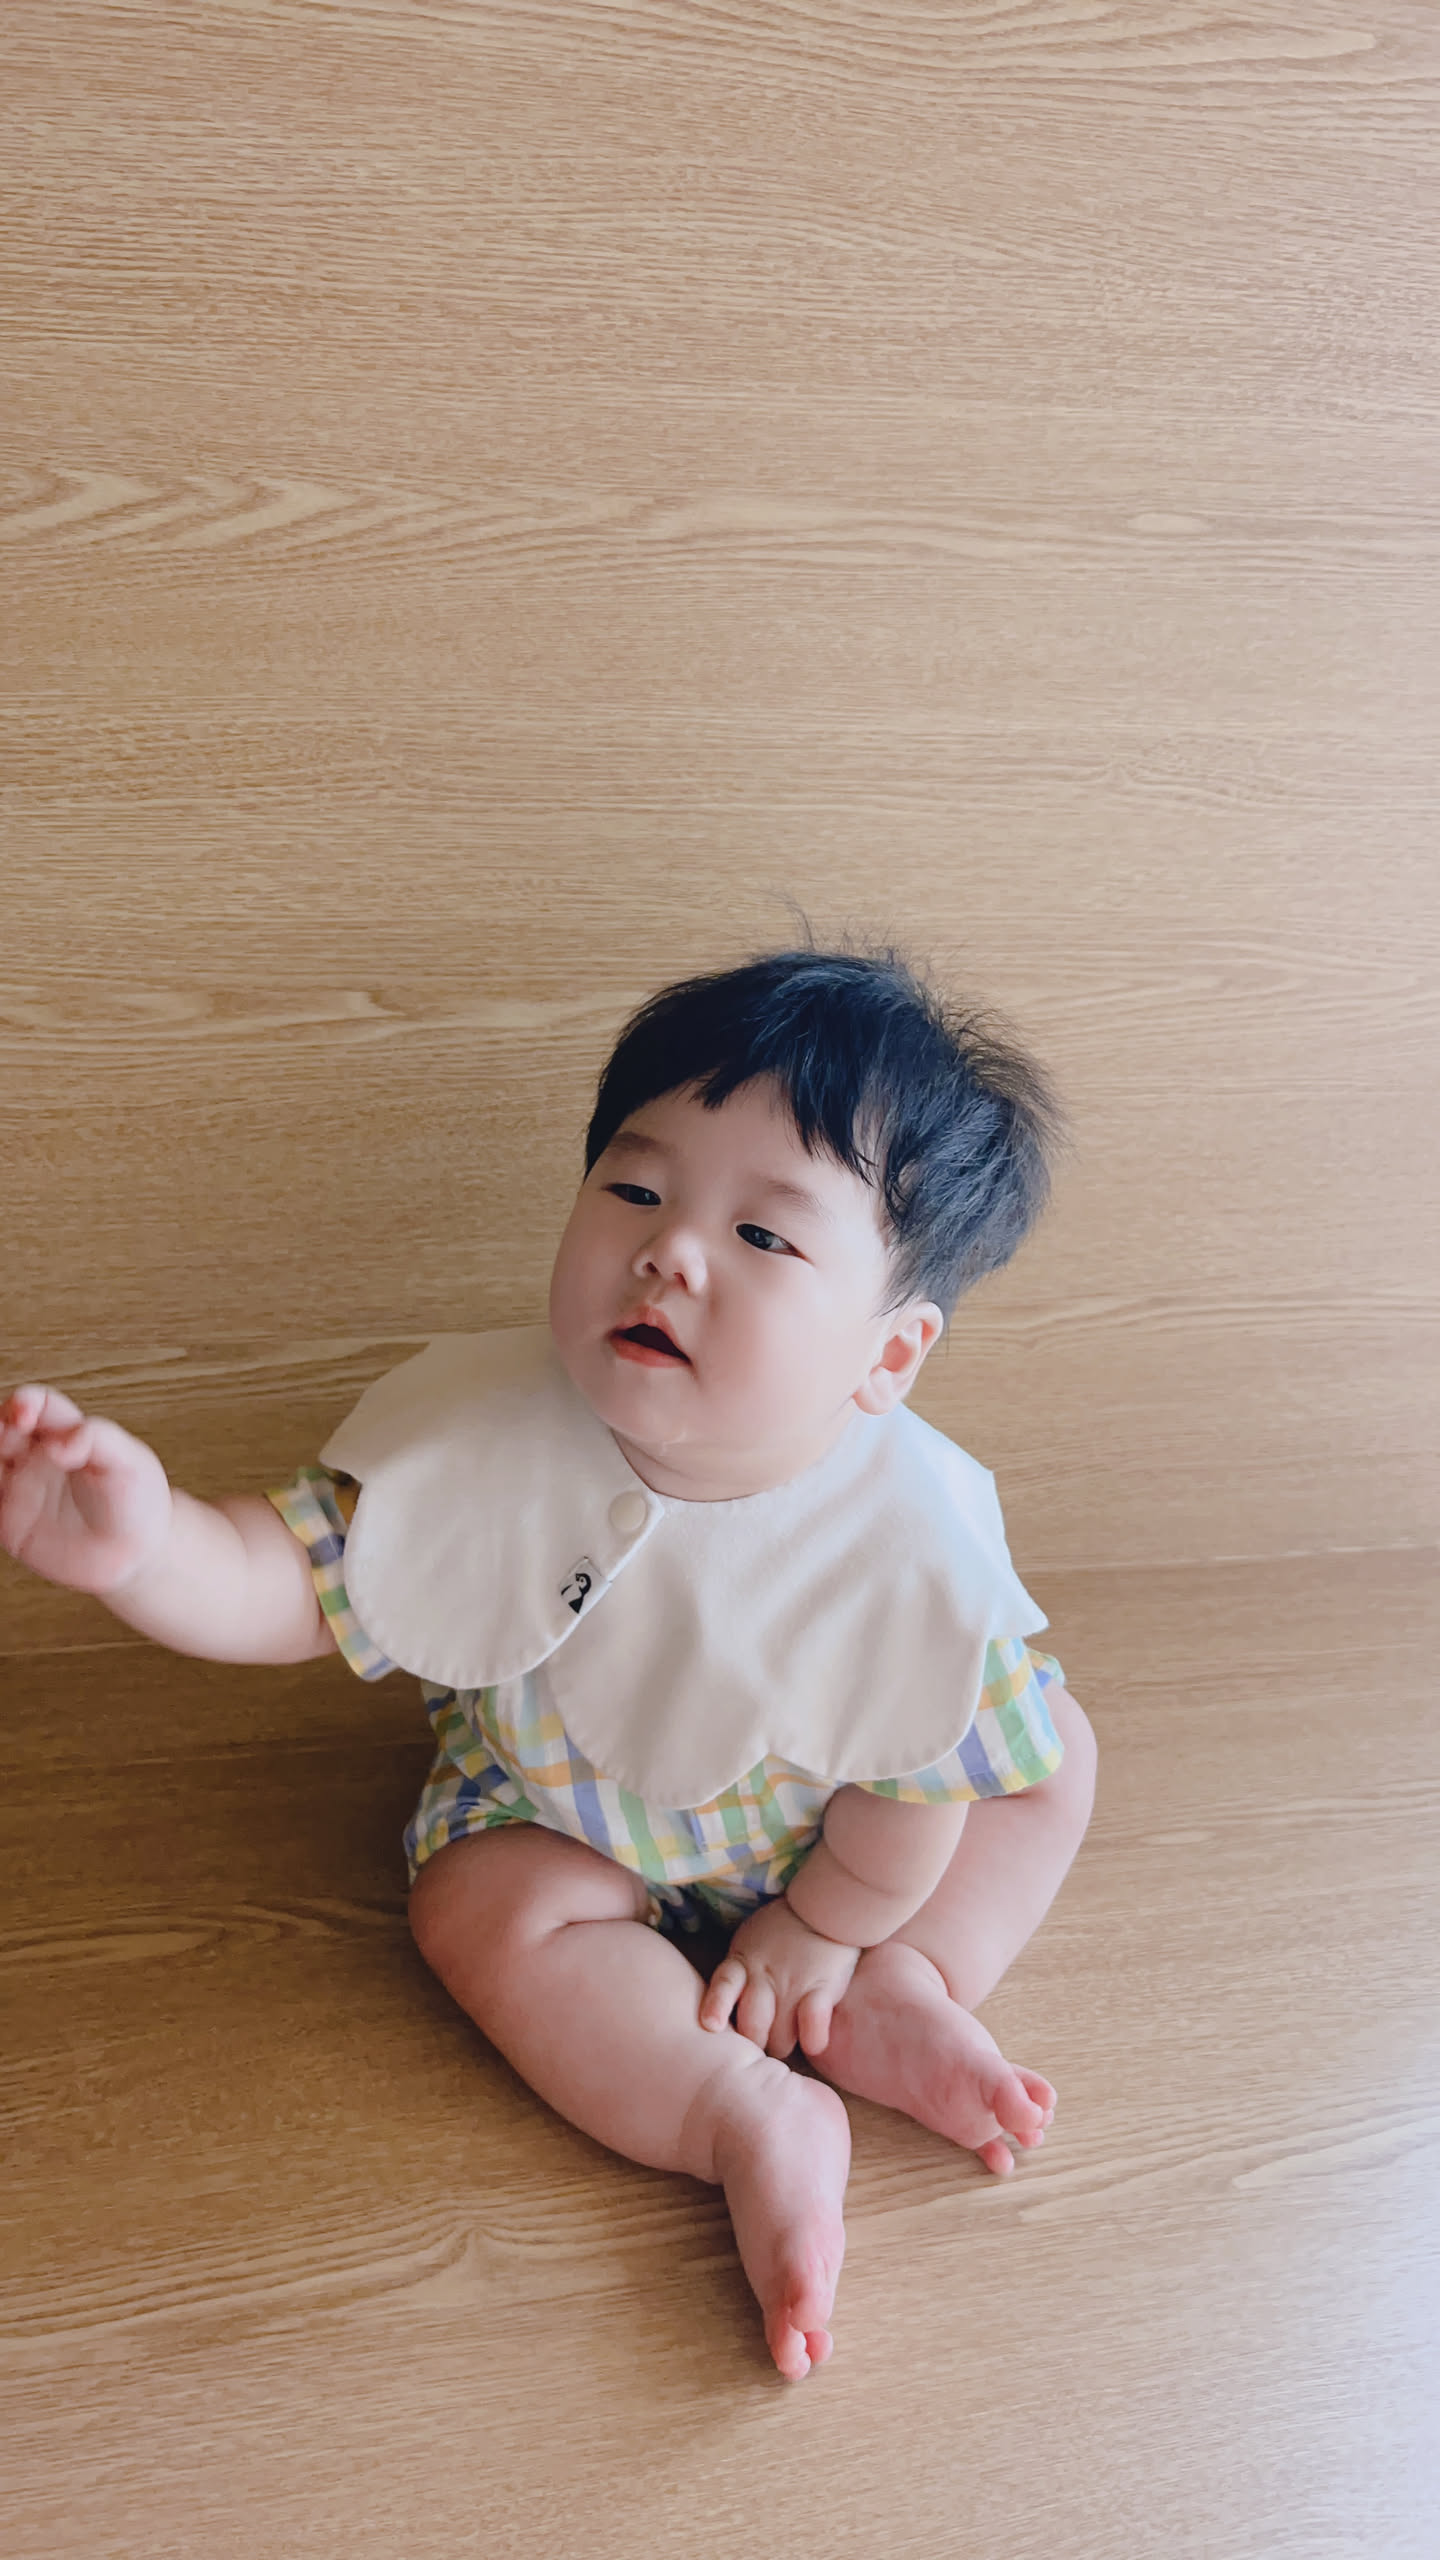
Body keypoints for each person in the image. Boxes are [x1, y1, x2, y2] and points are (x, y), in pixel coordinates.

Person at [0, 947, 1097, 2382]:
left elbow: (919, 1775)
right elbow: (295, 1582)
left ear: (888, 1355)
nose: (672, 1253)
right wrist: (144, 1547)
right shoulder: (482, 1431)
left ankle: (901, 1984)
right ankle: (733, 2110)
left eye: (762, 1236)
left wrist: (832, 1924)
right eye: (635, 1191)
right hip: (564, 1816)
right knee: (479, 1904)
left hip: (850, 1841)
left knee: (1050, 1765)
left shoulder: (907, 1539)